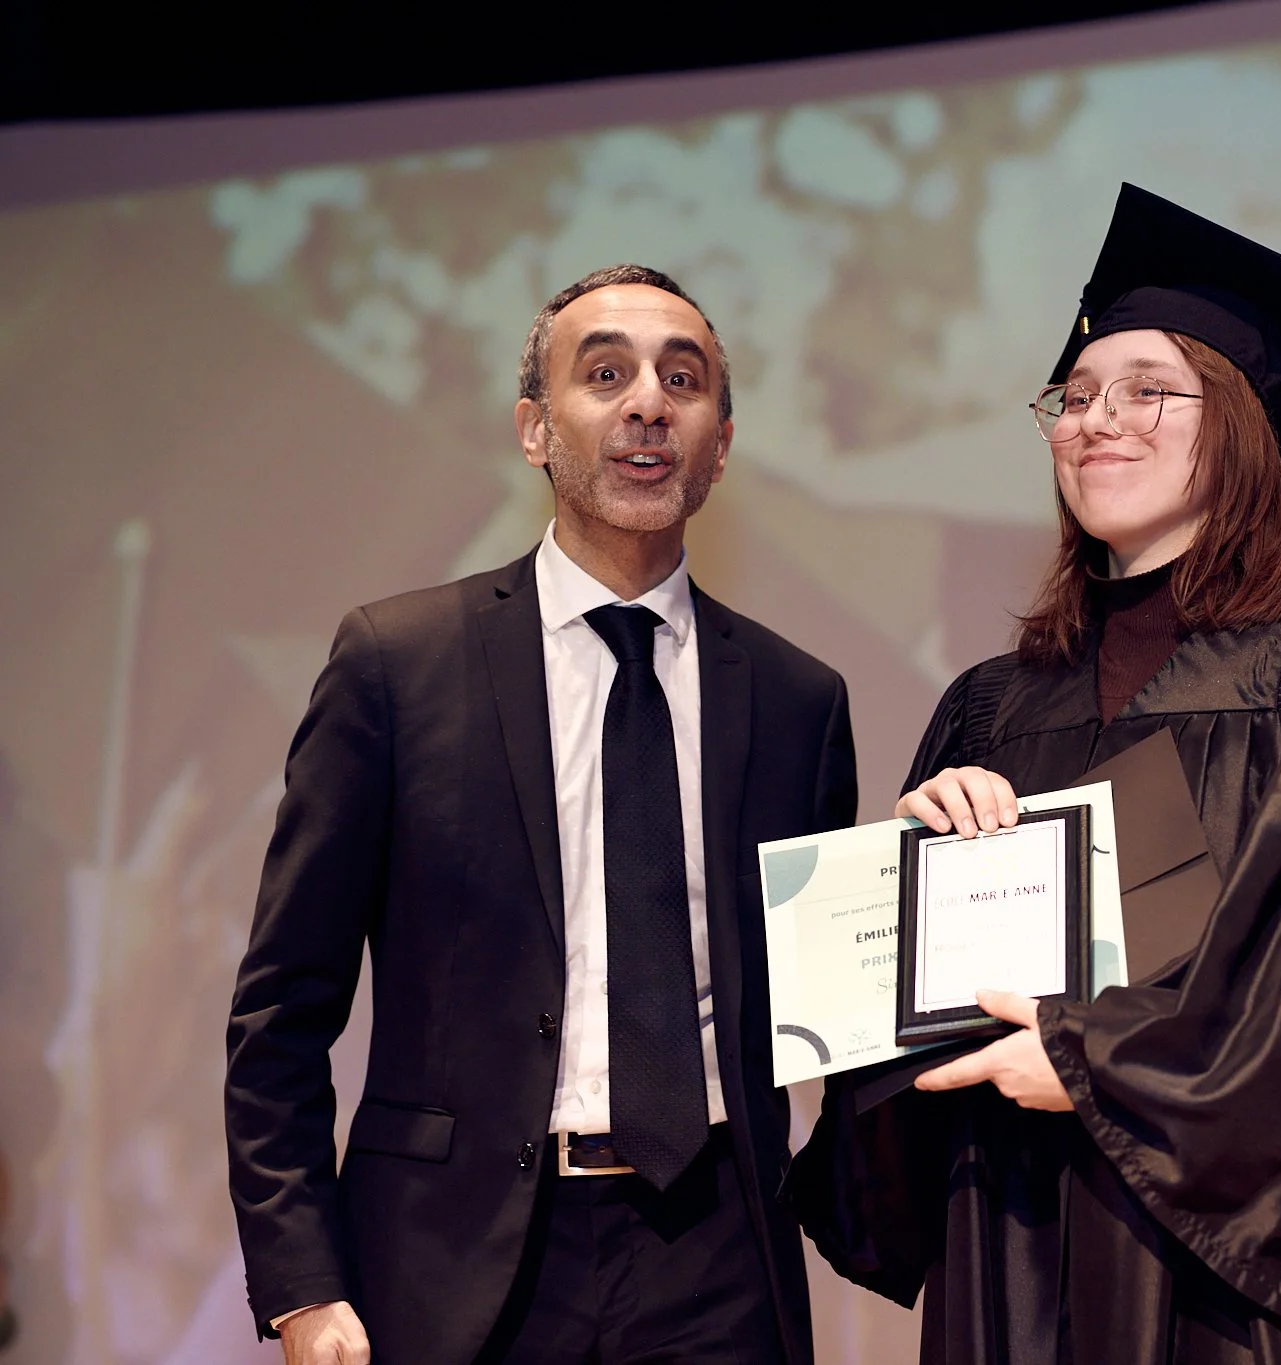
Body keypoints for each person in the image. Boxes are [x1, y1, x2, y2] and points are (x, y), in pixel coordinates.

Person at [788, 187, 1281, 1364]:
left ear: (1237, 424)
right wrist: (910, 880)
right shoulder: (989, 705)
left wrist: (1096, 1070)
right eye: (1074, 398)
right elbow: (894, 1096)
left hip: (1225, 1272)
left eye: (1146, 391)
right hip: (1012, 1237)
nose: (1096, 421)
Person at [225, 264, 857, 1365]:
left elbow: (836, 1010)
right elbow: (282, 1012)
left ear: (718, 441)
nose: (647, 402)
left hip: (717, 1260)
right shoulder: (397, 665)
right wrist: (301, 1286)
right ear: (533, 429)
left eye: (682, 378)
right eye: (603, 373)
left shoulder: (800, 701)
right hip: (455, 1262)